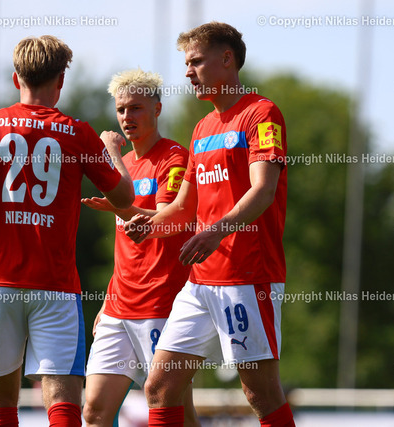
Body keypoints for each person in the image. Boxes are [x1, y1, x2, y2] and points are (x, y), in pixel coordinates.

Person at [0, 35, 134, 427]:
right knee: (64, 406)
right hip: (56, 287)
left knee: (1, 407)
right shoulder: (78, 133)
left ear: (15, 78)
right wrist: (112, 150)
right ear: (61, 81)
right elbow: (124, 198)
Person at [125, 22, 295, 426]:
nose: (188, 72)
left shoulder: (261, 113)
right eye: (187, 63)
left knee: (259, 392)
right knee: (160, 386)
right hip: (201, 281)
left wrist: (215, 231)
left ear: (227, 59)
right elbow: (184, 208)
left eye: (197, 61)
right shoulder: (202, 128)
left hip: (247, 275)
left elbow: (263, 190)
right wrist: (141, 220)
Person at [81, 69, 199, 427]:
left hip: (161, 305)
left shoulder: (174, 157)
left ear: (157, 109)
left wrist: (111, 156)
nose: (126, 117)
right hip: (119, 307)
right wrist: (107, 299)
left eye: (135, 108)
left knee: (175, 411)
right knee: (95, 411)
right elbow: (125, 247)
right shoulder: (125, 166)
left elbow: (166, 219)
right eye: (120, 109)